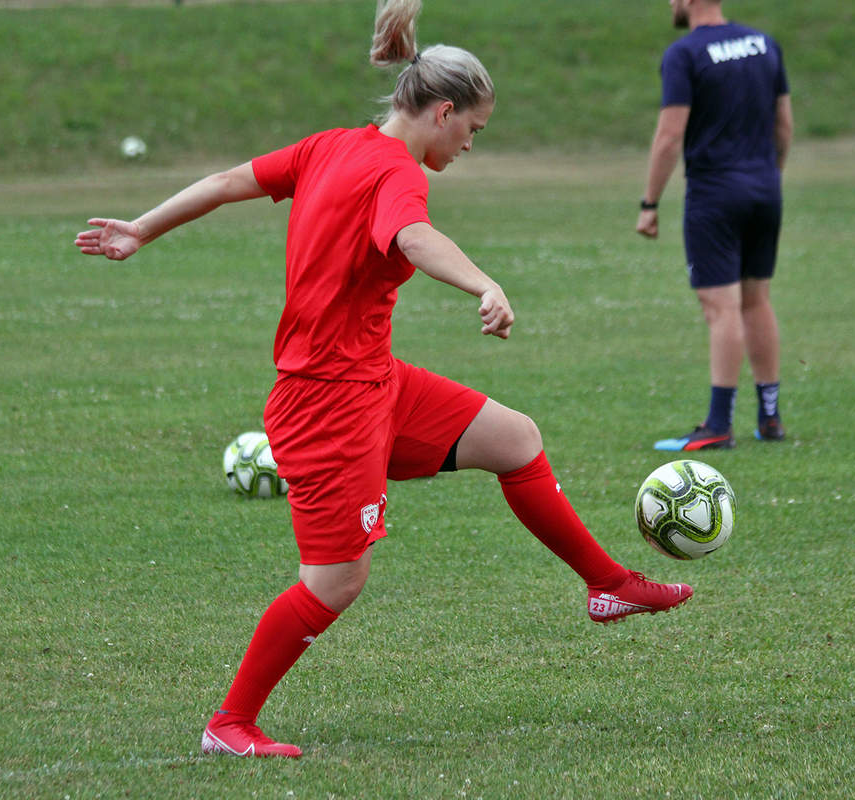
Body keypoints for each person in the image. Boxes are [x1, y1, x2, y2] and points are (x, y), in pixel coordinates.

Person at [75, 0, 693, 759]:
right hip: (328, 403)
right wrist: (483, 284)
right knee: (336, 582)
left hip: (372, 382)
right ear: (441, 112)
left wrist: (143, 225)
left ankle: (608, 585)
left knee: (514, 437)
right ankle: (229, 725)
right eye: (473, 129)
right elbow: (412, 234)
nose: (470, 144)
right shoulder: (395, 173)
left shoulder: (332, 146)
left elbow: (230, 178)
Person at [636, 0, 793, 451]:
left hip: (716, 195)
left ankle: (719, 424)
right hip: (766, 188)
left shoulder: (684, 54)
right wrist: (770, 177)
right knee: (756, 299)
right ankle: (769, 416)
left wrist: (649, 203)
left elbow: (669, 136)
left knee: (719, 307)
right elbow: (784, 124)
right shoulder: (764, 44)